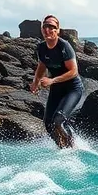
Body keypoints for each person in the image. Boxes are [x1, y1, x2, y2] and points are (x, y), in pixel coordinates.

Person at [30, 14, 84, 148]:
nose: (48, 29)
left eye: (52, 27)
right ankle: (62, 149)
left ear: (58, 30)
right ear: (42, 29)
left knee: (58, 120)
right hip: (57, 90)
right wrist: (35, 83)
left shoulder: (64, 46)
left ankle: (72, 149)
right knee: (48, 124)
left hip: (72, 89)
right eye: (45, 26)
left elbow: (73, 71)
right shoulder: (41, 47)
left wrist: (52, 80)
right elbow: (42, 65)